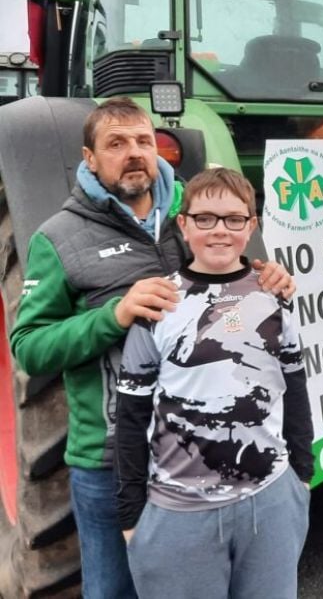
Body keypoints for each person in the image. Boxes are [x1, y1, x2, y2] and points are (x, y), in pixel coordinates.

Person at [10, 97, 295, 599]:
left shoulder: (197, 213)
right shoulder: (59, 238)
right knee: (114, 589)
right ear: (90, 157)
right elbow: (30, 347)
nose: (135, 153)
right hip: (110, 458)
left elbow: (232, 287)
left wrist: (263, 275)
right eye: (116, 144)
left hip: (200, 454)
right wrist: (113, 316)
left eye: (143, 140)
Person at [115, 167, 313, 598]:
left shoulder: (273, 296)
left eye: (233, 219)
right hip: (179, 513)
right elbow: (130, 417)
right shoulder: (160, 305)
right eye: (205, 218)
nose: (220, 230)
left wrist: (302, 475)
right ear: (183, 225)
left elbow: (295, 388)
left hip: (272, 501)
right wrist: (132, 515)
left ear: (251, 225)